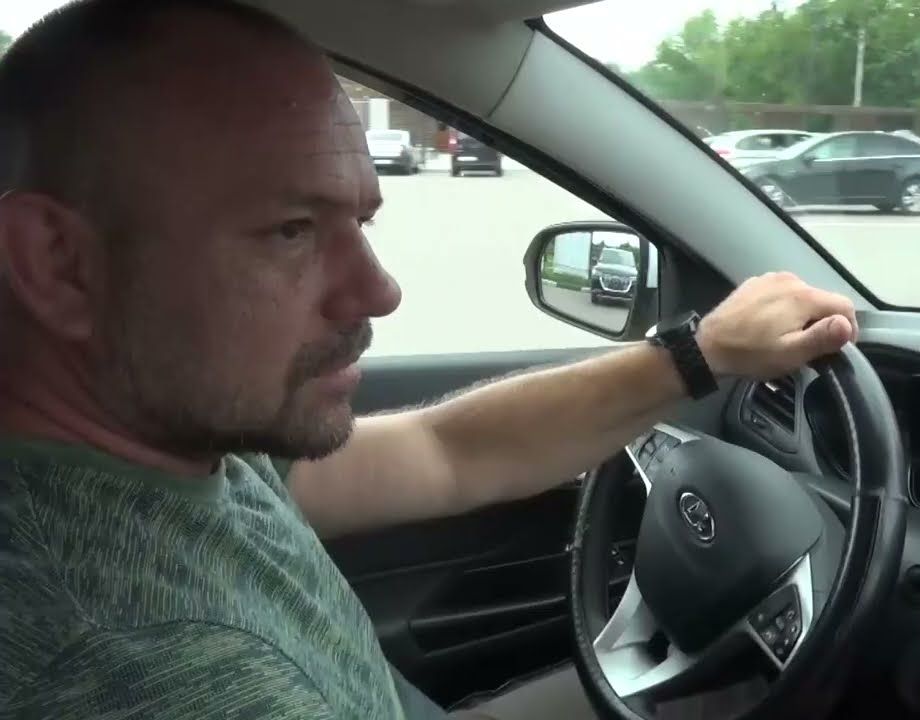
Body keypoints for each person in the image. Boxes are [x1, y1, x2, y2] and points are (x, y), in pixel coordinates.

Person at [0, 1, 859, 719]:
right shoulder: (139, 668)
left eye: (359, 222)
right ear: (59, 265)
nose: (378, 292)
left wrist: (698, 354)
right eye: (291, 231)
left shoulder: (177, 442)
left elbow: (446, 452)